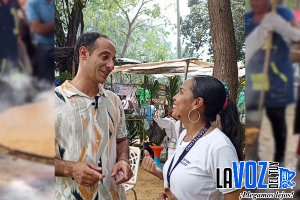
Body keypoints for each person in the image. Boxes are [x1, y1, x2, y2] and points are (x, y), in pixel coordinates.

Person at [55, 32, 133, 200]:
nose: (111, 65)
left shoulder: (114, 101)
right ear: (84, 53)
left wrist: (124, 160)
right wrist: (72, 169)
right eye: (105, 57)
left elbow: (121, 140)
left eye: (113, 59)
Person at [142, 76, 244, 200]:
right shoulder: (184, 136)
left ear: (197, 103)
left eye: (181, 92)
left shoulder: (220, 147)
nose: (174, 97)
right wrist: (158, 172)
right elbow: (193, 180)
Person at [245, 0, 300, 164]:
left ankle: (279, 162)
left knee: (278, 126)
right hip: (255, 83)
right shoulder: (248, 20)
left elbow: (297, 42)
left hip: (278, 85)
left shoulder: (283, 15)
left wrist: (282, 28)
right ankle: (252, 170)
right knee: (252, 129)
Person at [26, 0, 54, 84]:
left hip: (56, 47)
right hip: (43, 47)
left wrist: (46, 26)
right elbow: (38, 29)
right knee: (45, 83)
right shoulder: (33, 4)